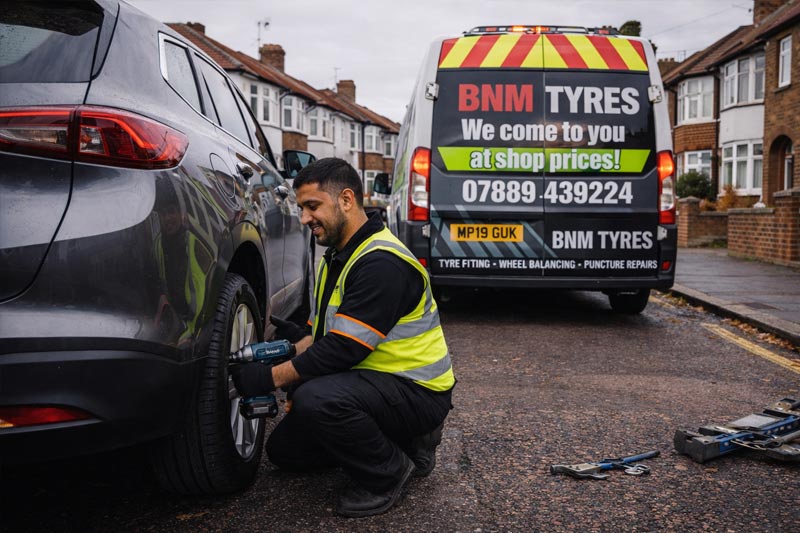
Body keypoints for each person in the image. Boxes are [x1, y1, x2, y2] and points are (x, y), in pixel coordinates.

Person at [231, 157, 455, 518]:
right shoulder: (339, 255)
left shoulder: (381, 263)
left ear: (346, 200)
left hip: (418, 391)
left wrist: (270, 378)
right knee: (285, 452)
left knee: (316, 398)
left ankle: (388, 471)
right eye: (302, 208)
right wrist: (296, 342)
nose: (305, 219)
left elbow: (343, 349)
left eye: (312, 206)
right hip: (377, 382)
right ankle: (399, 443)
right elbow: (331, 335)